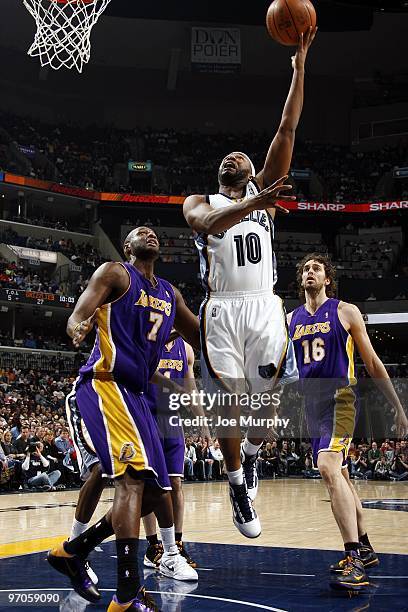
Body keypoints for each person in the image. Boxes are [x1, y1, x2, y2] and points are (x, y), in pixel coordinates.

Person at [183, 27, 316, 539]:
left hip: (263, 306)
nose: (233, 157)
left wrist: (299, 69)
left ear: (251, 171)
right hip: (222, 308)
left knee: (267, 405)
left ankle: (254, 458)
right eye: (228, 159)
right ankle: (237, 483)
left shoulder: (263, 188)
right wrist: (252, 205)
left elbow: (287, 127)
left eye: (242, 156)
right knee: (231, 401)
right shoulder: (202, 201)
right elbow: (204, 225)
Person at [48, 226, 200, 612]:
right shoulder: (115, 273)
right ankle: (127, 596)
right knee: (129, 481)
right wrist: (77, 326)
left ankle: (74, 550)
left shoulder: (170, 293)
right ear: (128, 246)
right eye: (139, 232)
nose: (149, 232)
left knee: (156, 492)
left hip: (136, 395)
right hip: (105, 384)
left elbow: (202, 335)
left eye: (153, 231)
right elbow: (80, 313)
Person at [288, 253, 408, 592]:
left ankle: (354, 559)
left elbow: (371, 361)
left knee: (328, 465)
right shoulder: (290, 319)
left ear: (328, 279)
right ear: (301, 280)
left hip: (340, 400)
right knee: (339, 475)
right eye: (306, 269)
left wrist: (398, 408)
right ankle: (366, 547)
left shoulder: (345, 311)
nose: (310, 271)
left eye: (316, 268)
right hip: (311, 405)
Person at [142, 336, 200, 569]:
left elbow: (191, 388)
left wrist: (203, 422)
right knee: (151, 484)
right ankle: (153, 545)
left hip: (173, 419)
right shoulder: (147, 339)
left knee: (176, 484)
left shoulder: (185, 348)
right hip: (148, 416)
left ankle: (176, 544)